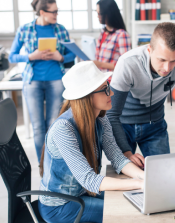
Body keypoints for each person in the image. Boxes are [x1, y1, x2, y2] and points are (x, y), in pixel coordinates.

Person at [38, 61, 144, 223]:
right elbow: (89, 180)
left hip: (83, 193)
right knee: (127, 211)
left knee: (133, 201)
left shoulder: (101, 120)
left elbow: (118, 159)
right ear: (87, 96)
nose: (112, 94)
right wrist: (138, 184)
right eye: (105, 89)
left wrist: (145, 178)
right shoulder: (63, 129)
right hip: (60, 205)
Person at [107, 22, 175, 168]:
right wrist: (126, 152)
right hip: (123, 126)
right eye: (162, 60)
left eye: (173, 61)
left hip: (155, 124)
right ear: (149, 50)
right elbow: (111, 114)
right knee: (124, 178)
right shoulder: (128, 63)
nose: (167, 68)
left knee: (162, 176)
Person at [8, 0, 75, 162]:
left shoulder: (60, 29)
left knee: (54, 125)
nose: (57, 14)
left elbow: (72, 53)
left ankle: (52, 162)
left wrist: (61, 57)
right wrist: (31, 56)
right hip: (33, 82)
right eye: (54, 11)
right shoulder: (25, 30)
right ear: (42, 12)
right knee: (38, 127)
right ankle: (42, 164)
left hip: (56, 81)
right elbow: (12, 56)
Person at [93, 0, 131, 72]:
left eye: (99, 13)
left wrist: (100, 64)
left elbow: (125, 64)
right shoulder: (103, 32)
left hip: (112, 80)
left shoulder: (121, 35)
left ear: (107, 14)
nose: (98, 16)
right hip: (101, 78)